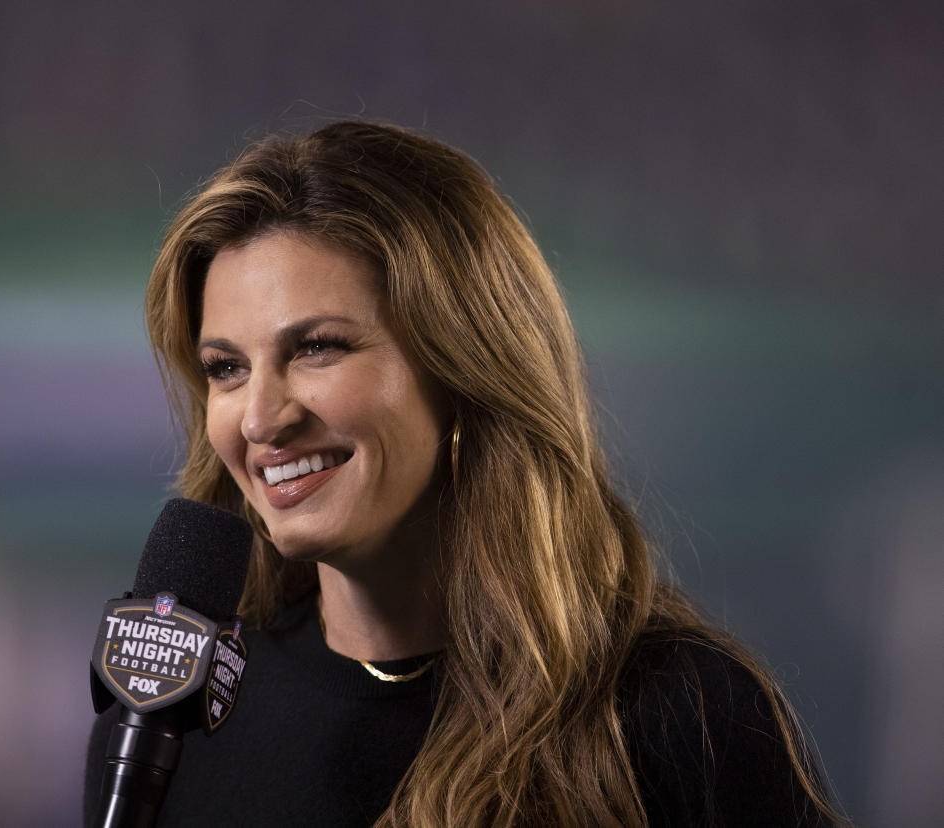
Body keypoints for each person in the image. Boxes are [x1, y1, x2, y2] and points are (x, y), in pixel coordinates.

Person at [85, 121, 843, 826]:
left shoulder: (681, 714)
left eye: (317, 347)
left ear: (464, 371)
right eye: (225, 368)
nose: (259, 419)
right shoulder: (170, 727)